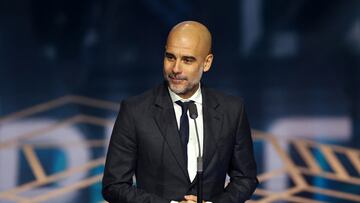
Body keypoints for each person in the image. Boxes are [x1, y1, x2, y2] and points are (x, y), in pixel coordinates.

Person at [102, 21, 258, 203]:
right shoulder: (135, 111)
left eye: (187, 60)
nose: (175, 69)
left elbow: (245, 179)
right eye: (170, 57)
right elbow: (114, 185)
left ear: (207, 63)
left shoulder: (232, 110)